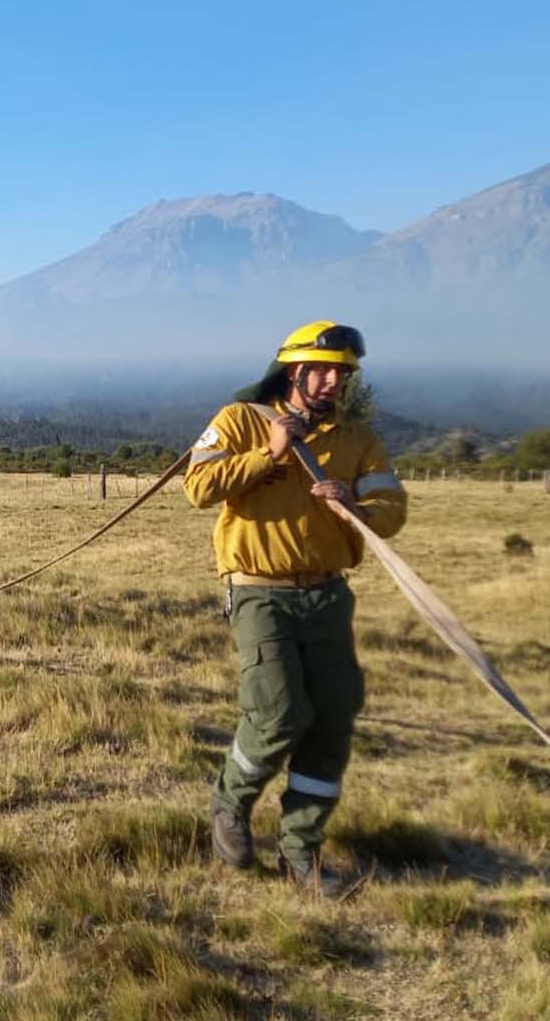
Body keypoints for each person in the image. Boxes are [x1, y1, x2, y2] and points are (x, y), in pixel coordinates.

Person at [183, 321, 408, 896]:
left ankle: (300, 851)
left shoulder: (358, 439)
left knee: (333, 716)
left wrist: (353, 504)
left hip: (328, 592)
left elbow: (391, 507)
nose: (334, 381)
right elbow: (199, 487)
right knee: (279, 711)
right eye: (324, 370)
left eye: (344, 373)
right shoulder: (239, 420)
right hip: (259, 589)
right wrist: (268, 454)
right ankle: (229, 805)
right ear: (293, 370)